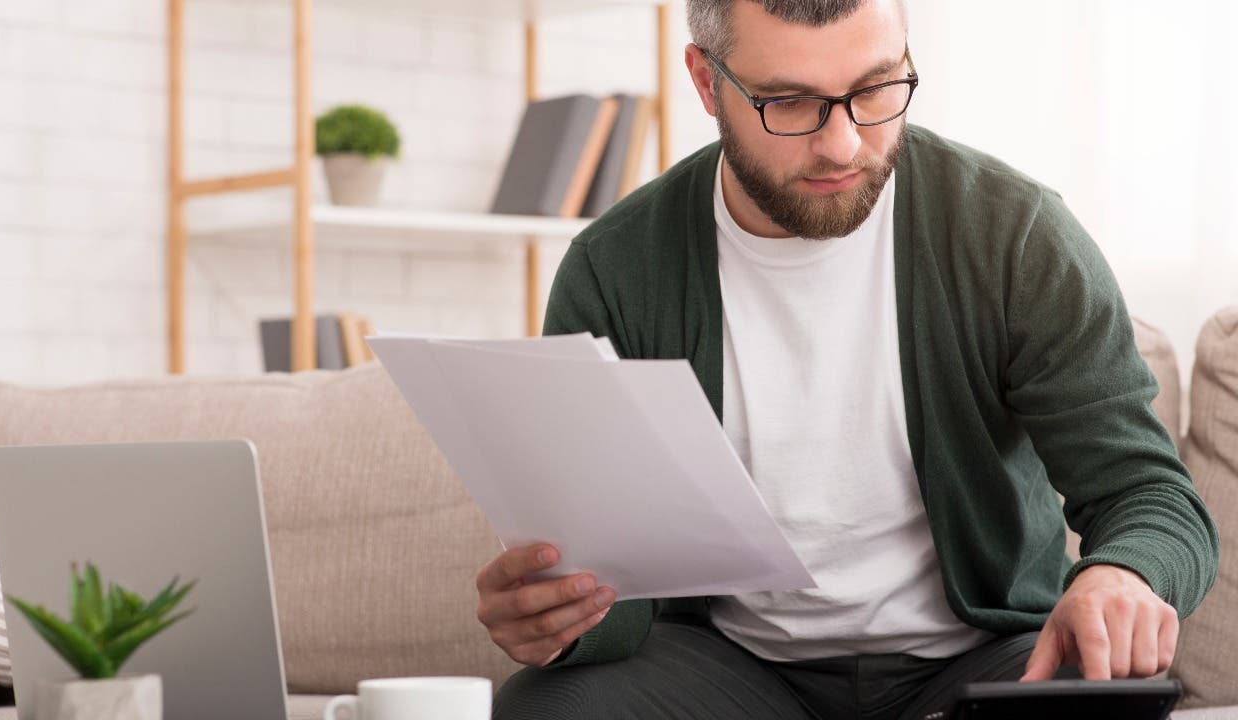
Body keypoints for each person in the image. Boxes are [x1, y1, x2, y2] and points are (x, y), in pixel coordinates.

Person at [480, 1, 1219, 718]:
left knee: (1090, 704)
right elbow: (610, 565)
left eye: (875, 89)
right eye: (790, 103)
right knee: (552, 707)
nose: (842, 145)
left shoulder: (1014, 235)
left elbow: (1149, 496)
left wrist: (1124, 575)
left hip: (983, 655)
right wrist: (559, 620)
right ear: (707, 82)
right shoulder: (614, 269)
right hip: (732, 668)